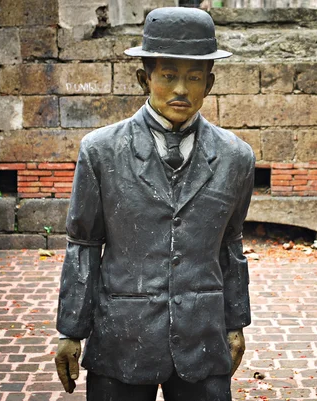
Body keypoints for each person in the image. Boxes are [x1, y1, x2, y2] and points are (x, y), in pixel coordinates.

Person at [54, 7, 255, 401]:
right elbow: (84, 243)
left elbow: (231, 243)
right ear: (144, 78)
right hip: (122, 338)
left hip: (202, 340)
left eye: (195, 77)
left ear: (210, 84)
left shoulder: (236, 157)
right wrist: (70, 331)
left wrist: (235, 323)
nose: (182, 89)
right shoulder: (101, 152)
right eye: (168, 75)